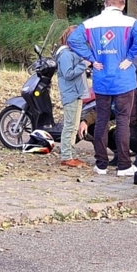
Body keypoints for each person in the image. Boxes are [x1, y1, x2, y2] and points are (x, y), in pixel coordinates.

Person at [68, 0, 137, 175]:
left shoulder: (91, 23)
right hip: (123, 79)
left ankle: (101, 164)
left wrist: (91, 58)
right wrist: (130, 57)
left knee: (102, 120)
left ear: (105, 4)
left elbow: (73, 39)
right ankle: (124, 165)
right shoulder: (130, 22)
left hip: (102, 79)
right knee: (123, 121)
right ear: (122, 6)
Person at [55, 24, 90, 168]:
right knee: (69, 126)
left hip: (77, 93)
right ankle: (66, 156)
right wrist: (84, 65)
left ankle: (71, 154)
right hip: (70, 94)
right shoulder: (65, 55)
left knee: (74, 127)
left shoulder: (72, 53)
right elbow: (68, 74)